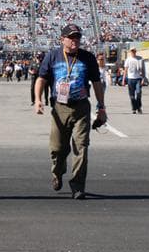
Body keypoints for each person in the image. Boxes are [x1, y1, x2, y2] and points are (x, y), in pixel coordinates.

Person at [34, 24, 106, 200]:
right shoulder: (53, 56)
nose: (75, 41)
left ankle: (78, 186)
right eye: (71, 37)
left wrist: (101, 106)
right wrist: (38, 100)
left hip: (81, 107)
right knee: (57, 149)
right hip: (59, 108)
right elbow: (41, 79)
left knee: (81, 147)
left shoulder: (87, 58)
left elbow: (97, 83)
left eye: (78, 38)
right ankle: (57, 172)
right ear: (62, 39)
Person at [123, 47, 146, 114]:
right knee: (132, 96)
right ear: (130, 52)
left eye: (134, 51)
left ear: (136, 51)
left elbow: (143, 70)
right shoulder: (128, 59)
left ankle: (138, 107)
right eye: (132, 51)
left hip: (138, 78)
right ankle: (134, 108)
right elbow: (125, 70)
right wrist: (123, 80)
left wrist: (143, 79)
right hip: (130, 79)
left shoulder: (140, 59)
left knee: (138, 93)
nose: (133, 52)